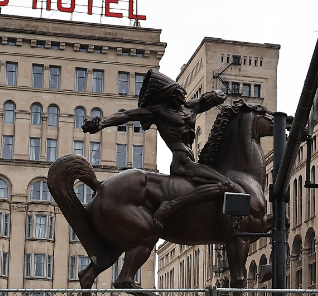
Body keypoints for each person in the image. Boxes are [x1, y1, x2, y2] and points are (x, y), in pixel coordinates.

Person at [82, 69, 242, 227]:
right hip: (182, 163)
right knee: (227, 184)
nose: (184, 93)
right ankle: (170, 206)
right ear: (171, 93)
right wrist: (101, 123)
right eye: (180, 91)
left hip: (193, 162)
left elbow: (214, 98)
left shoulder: (189, 107)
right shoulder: (159, 111)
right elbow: (126, 115)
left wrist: (216, 95)